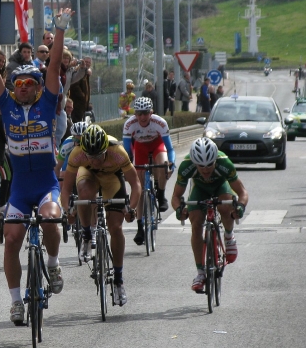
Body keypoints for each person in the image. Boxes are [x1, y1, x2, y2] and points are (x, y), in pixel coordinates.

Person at [0, 7, 74, 324]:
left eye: (31, 82)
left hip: (46, 186)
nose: (25, 86)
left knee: (50, 220)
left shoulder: (46, 103)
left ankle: (53, 263)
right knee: (12, 239)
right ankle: (16, 302)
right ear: (13, 88)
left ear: (39, 87)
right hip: (18, 190)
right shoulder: (7, 106)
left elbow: (54, 65)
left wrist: (59, 30)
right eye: (19, 83)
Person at [60, 125, 141, 306]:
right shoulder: (77, 153)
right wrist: (67, 211)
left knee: (116, 228)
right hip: (87, 175)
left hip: (112, 178)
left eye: (98, 156)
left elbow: (135, 184)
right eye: (90, 156)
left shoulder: (118, 151)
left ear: (106, 150)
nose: (95, 160)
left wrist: (131, 208)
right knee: (84, 192)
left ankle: (118, 280)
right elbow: (65, 190)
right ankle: (87, 235)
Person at [171, 137, 248, 292]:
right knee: (196, 222)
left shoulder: (224, 163)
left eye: (209, 165)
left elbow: (242, 192)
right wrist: (179, 210)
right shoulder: (186, 165)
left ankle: (229, 236)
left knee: (226, 206)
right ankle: (200, 272)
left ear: (215, 160)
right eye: (201, 166)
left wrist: (240, 207)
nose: (205, 170)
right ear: (194, 162)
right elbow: (175, 196)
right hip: (200, 189)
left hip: (220, 186)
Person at [122, 97, 176, 245]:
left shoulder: (160, 123)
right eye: (139, 113)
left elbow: (170, 149)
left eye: (145, 113)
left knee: (163, 164)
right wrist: (128, 169)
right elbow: (127, 152)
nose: (142, 117)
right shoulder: (129, 125)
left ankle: (161, 194)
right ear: (135, 113)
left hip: (157, 145)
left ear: (151, 113)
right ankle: (140, 227)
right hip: (140, 148)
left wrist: (171, 164)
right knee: (139, 187)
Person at [69, 56, 92, 123]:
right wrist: (82, 96)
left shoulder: (86, 73)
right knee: (77, 122)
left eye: (89, 62)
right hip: (77, 103)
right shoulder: (79, 71)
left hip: (82, 104)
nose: (87, 63)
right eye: (86, 62)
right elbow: (74, 85)